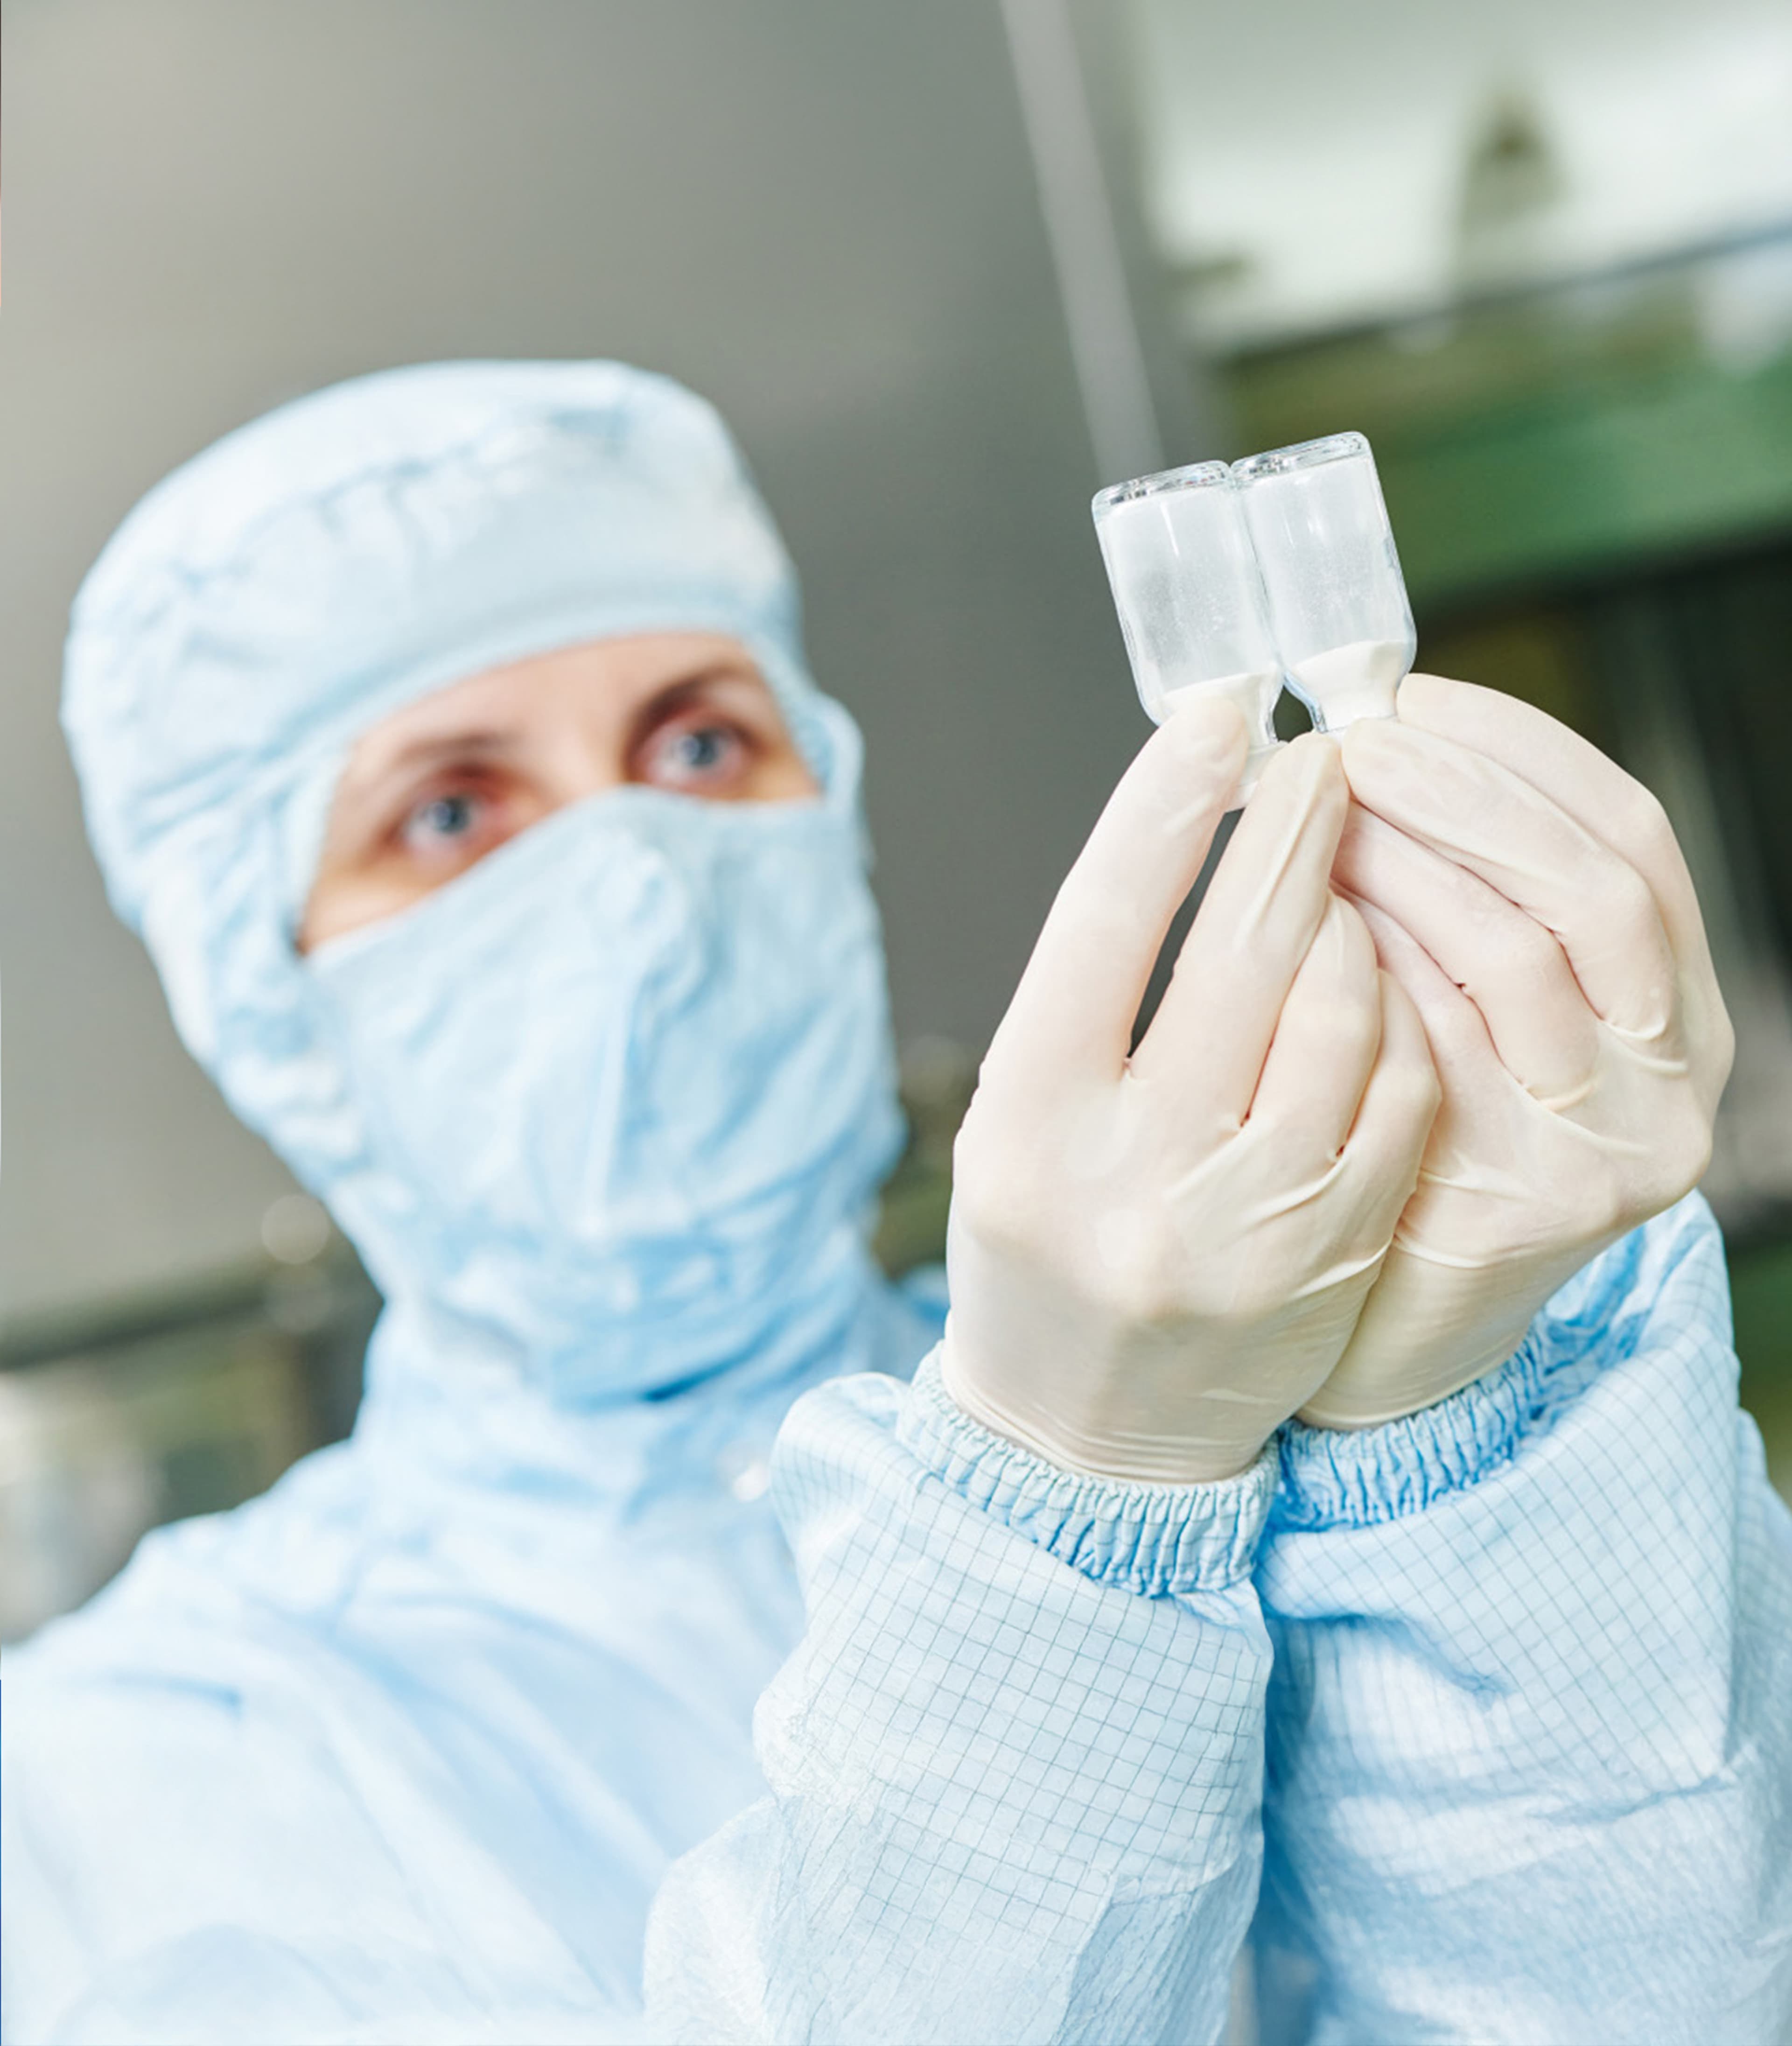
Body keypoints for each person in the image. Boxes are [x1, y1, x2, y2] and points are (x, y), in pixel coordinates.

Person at [2, 359, 1788, 2046]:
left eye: (699, 748)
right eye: (452, 811)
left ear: (831, 807)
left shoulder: (1271, 1413)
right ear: (267, 1003)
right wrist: (1065, 1527)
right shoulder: (136, 1772)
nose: (639, 886)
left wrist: (1453, 1443)